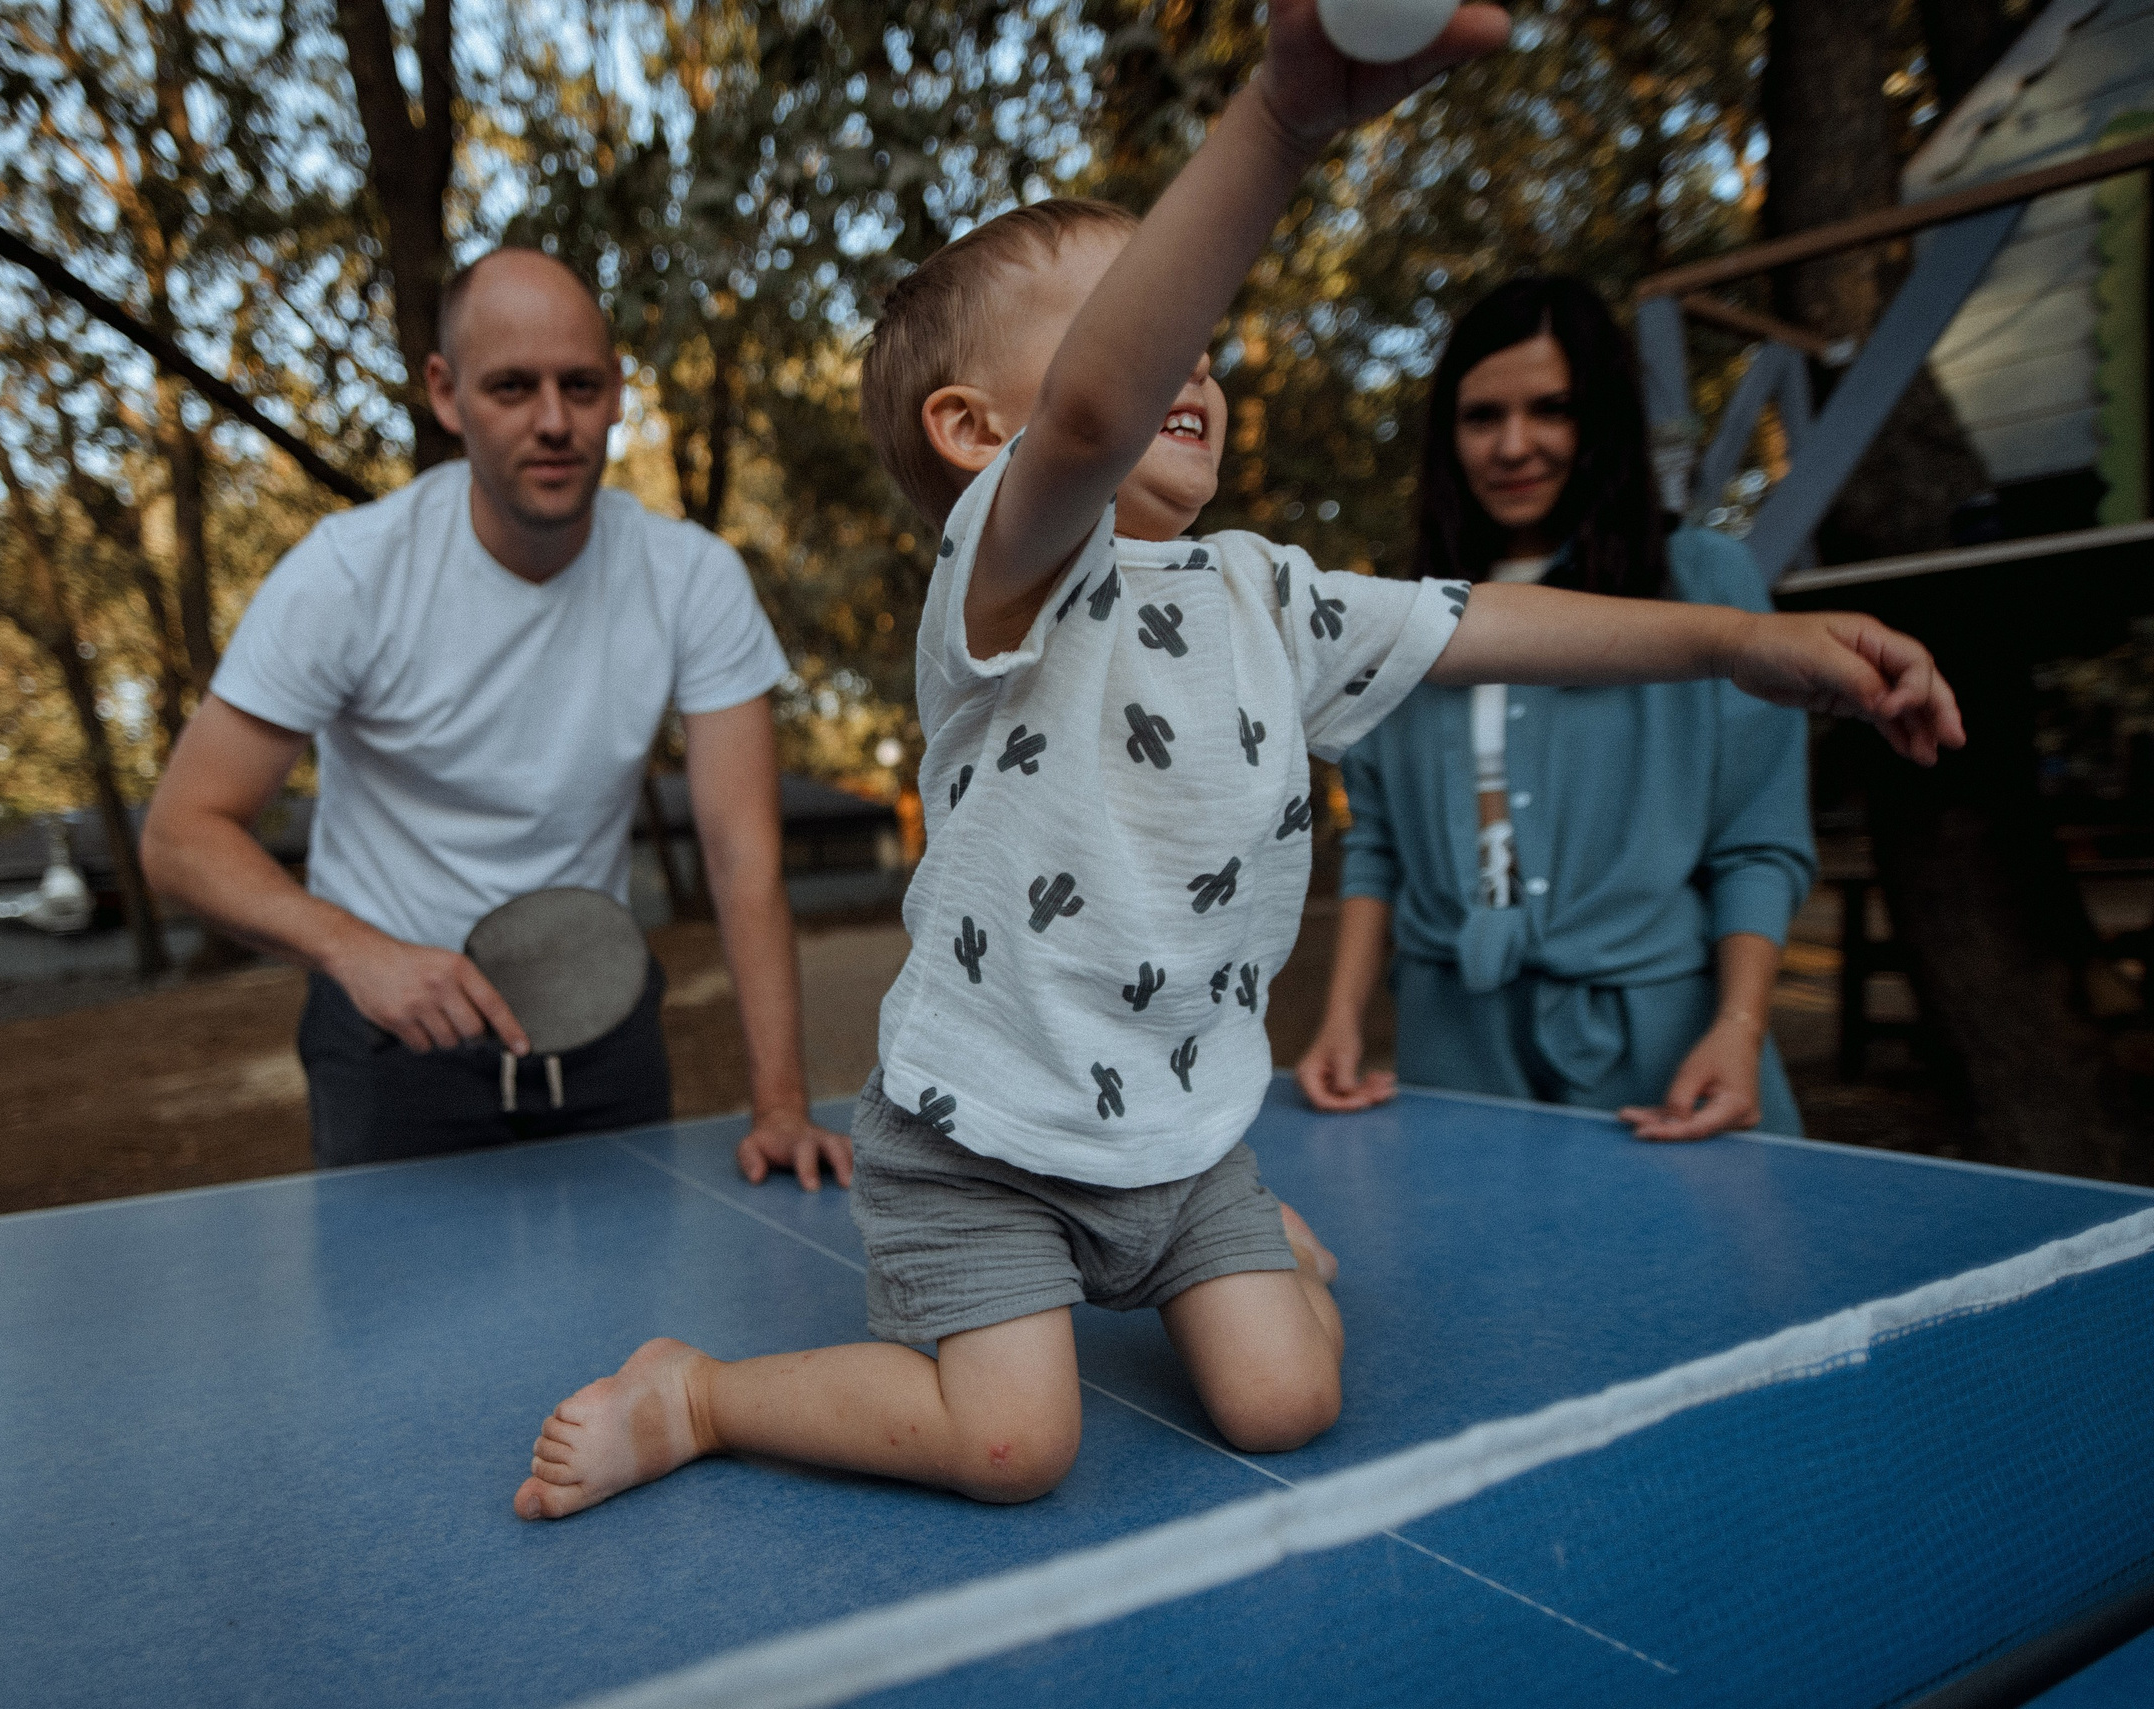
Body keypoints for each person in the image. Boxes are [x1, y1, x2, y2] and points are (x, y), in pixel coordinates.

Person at [508, 0, 1963, 1521]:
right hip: (985, 1132)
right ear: (973, 430)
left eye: (1197, 339)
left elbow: (1486, 623)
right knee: (1013, 1448)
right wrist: (1280, 120)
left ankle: (1250, 1248)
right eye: (1142, 326)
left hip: (1183, 1130)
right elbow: (1091, 412)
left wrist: (1737, 643)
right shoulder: (1004, 580)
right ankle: (699, 1392)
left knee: (1286, 1401)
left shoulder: (1272, 594)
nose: (1185, 360)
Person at [141, 249, 850, 1184]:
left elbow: (743, 859)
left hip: (600, 1023)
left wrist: (782, 1105)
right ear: (446, 393)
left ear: (616, 392)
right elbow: (180, 836)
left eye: (580, 386)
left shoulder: (694, 579)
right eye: (512, 387)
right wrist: (360, 953)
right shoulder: (348, 575)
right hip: (390, 1046)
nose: (554, 421)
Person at [1295, 277, 1813, 1139]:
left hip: (1664, 1048)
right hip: (1450, 1041)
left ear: (1600, 418)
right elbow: (1378, 843)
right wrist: (1343, 1017)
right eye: (1482, 417)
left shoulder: (1705, 585)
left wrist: (1739, 1025)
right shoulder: (1403, 612)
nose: (1514, 445)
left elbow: (1758, 843)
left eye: (1551, 409)